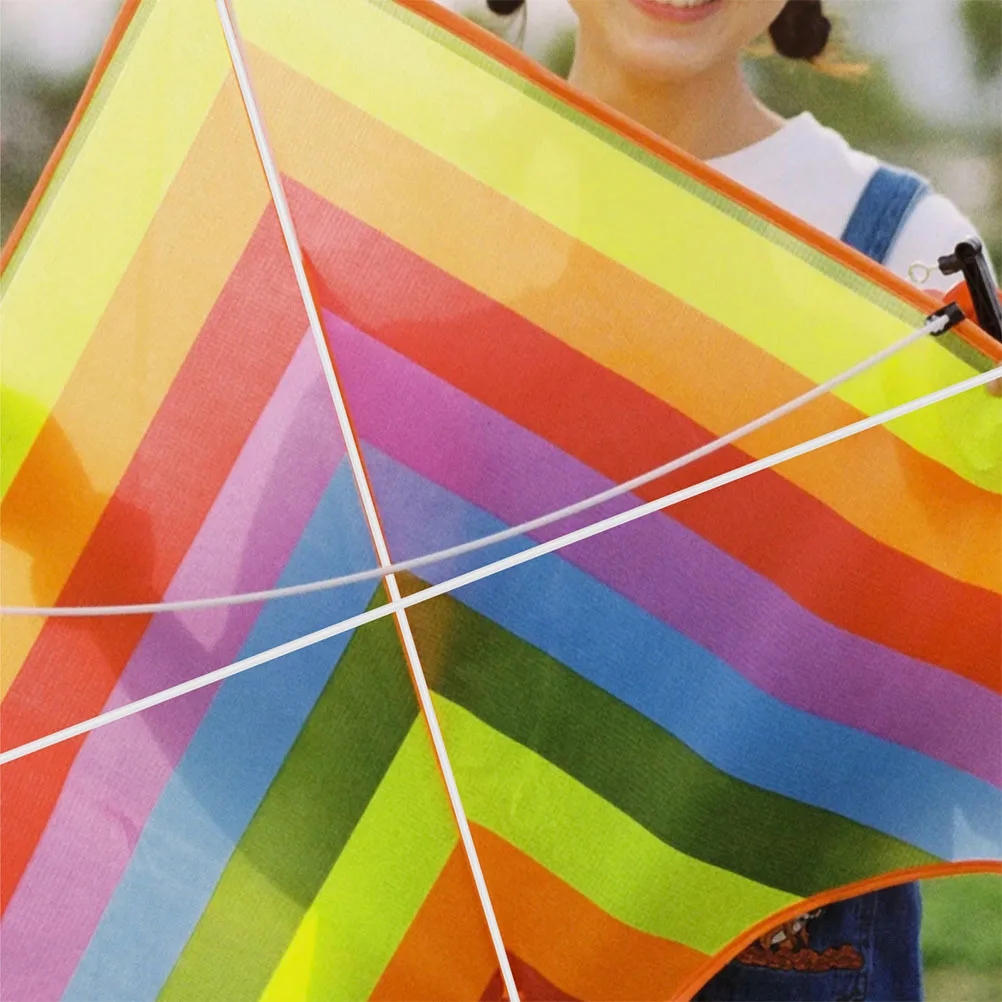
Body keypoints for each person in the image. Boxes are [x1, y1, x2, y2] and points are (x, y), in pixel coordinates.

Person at [484, 1, 992, 1000]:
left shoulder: (905, 256)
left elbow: (964, 671)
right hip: (488, 949)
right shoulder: (427, 205)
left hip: (794, 956)